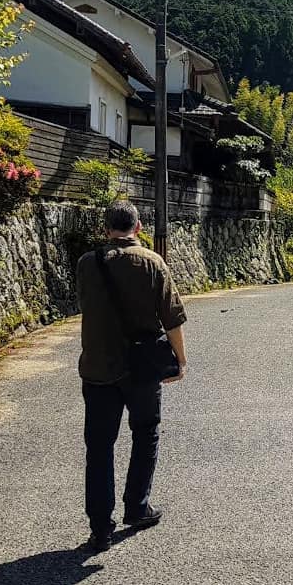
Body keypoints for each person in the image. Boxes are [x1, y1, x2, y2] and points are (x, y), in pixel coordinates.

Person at [76, 200, 188, 552]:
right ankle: (137, 507)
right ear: (138, 228)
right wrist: (180, 361)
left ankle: (99, 527)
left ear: (106, 229)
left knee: (99, 446)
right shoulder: (152, 263)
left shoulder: (87, 263)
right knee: (145, 433)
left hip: (97, 367)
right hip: (141, 367)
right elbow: (172, 318)